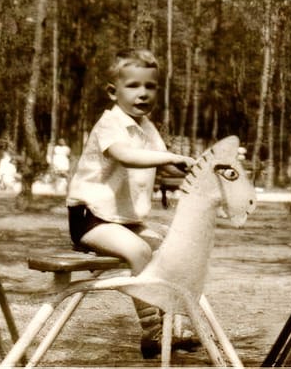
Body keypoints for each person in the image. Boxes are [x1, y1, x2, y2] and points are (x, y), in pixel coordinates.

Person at [66, 48, 198, 359]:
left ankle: (174, 321)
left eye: (150, 86)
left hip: (124, 219)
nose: (143, 94)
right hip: (91, 218)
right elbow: (126, 155)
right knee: (139, 251)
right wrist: (171, 157)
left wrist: (197, 172)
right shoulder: (110, 124)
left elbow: (165, 167)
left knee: (170, 246)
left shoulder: (146, 127)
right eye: (134, 86)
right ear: (113, 92)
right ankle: (152, 329)